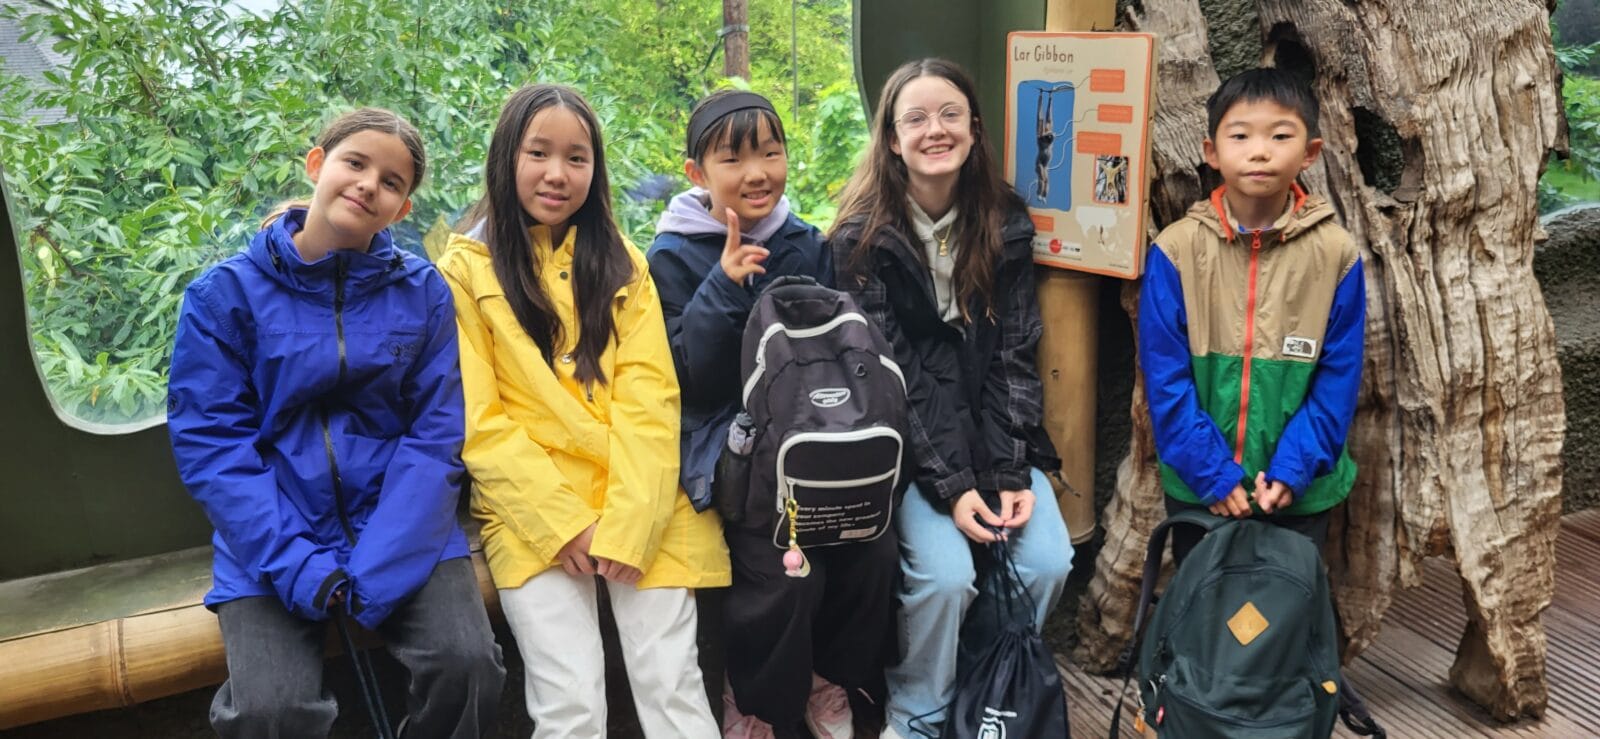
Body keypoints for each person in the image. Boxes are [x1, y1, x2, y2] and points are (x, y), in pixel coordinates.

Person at [167, 107, 505, 739]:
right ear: (317, 164)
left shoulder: (423, 293)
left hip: (401, 521)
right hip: (270, 529)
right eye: (356, 163)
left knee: (468, 668)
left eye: (392, 181)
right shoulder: (224, 297)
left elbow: (435, 438)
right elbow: (213, 448)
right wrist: (298, 564)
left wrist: (380, 563)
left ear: (401, 210)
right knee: (272, 711)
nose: (369, 184)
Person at [438, 83, 729, 739]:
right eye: (539, 152)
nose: (556, 173)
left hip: (640, 499)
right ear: (506, 156)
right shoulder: (464, 270)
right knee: (570, 703)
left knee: (673, 686)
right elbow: (480, 426)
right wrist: (562, 523)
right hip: (532, 514)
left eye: (576, 157)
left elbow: (651, 400)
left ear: (595, 170)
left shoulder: (623, 261)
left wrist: (629, 524)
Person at [828, 58, 1073, 739]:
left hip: (992, 441)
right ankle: (921, 710)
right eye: (916, 118)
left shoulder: (1005, 222)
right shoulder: (860, 239)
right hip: (907, 449)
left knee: (1047, 558)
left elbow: (1015, 358)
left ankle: (985, 687)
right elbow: (889, 376)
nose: (935, 129)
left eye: (949, 114)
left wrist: (1007, 473)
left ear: (973, 128)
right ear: (892, 139)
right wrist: (956, 485)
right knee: (942, 577)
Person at [646, 89, 894, 739]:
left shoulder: (804, 242)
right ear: (697, 173)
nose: (758, 172)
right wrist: (723, 285)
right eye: (734, 158)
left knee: (871, 539)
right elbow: (686, 375)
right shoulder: (672, 254)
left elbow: (835, 347)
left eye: (772, 153)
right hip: (721, 436)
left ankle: (828, 674)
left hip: (804, 423)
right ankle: (752, 694)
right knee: (785, 563)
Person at [1138, 67, 1364, 565]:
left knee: (1285, 615)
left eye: (1280, 136)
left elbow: (1339, 375)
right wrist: (1210, 472)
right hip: (1201, 487)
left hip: (1299, 488)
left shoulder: (1336, 254)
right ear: (1212, 151)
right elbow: (1165, 374)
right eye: (1240, 136)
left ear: (1309, 153)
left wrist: (1294, 468)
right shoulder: (1177, 251)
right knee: (1205, 615)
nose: (1259, 151)